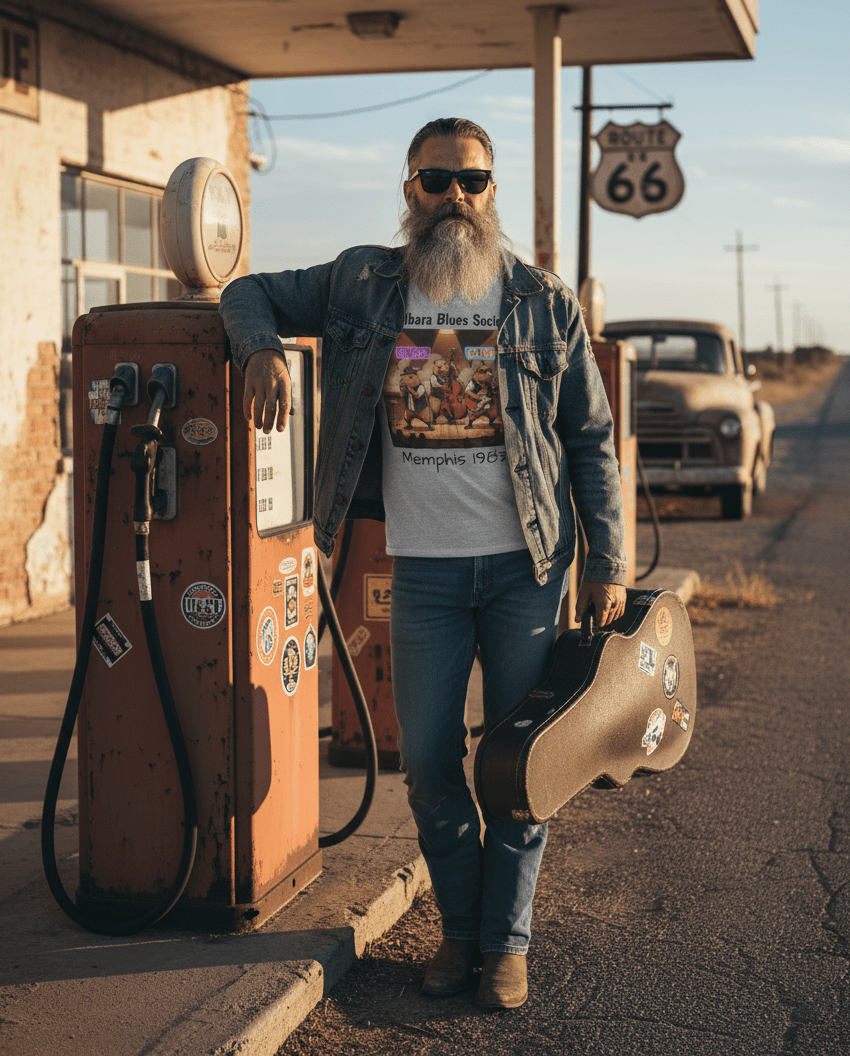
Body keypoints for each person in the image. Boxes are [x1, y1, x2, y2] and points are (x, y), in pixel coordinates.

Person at [219, 117, 627, 1010]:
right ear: (409, 189)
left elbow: (591, 441)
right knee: (432, 765)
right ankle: (459, 930)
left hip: (528, 569)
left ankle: (505, 944)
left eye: (472, 182)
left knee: (525, 763)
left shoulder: (541, 300)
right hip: (426, 576)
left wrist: (609, 562)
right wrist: (260, 351)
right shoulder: (362, 282)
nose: (455, 197)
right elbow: (244, 291)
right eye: (437, 179)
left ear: (492, 191)